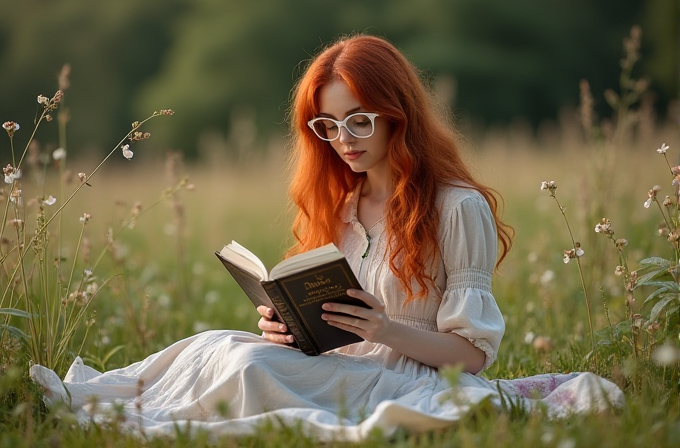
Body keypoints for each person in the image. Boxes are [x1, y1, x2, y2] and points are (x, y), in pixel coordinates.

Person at [30, 34, 623, 442]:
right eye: (328, 125)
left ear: (399, 115)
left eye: (359, 120)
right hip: (337, 370)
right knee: (218, 343)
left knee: (247, 369)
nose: (343, 137)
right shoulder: (341, 207)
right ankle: (126, 403)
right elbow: (327, 324)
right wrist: (287, 325)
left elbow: (472, 357)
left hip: (408, 378)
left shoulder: (455, 207)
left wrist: (383, 328)